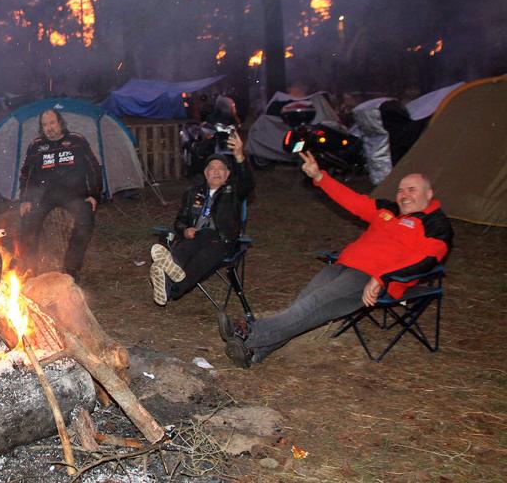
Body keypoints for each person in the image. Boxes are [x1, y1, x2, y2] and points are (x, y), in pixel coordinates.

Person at [218, 151, 452, 368]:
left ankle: (247, 333)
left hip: (371, 278)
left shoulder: (435, 225)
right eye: (400, 190)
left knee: (312, 305)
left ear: (428, 194)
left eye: (412, 190)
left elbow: (426, 260)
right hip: (344, 265)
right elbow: (352, 200)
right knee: (305, 305)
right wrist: (320, 176)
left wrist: (381, 278)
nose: (404, 195)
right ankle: (255, 354)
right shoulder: (388, 210)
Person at [150, 131, 254, 305]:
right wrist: (185, 229)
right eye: (212, 168)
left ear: (227, 175)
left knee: (202, 254)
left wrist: (240, 156)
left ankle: (172, 287)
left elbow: (248, 183)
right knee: (183, 248)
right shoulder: (192, 193)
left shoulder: (233, 192)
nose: (216, 172)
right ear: (206, 173)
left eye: (221, 169)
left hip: (220, 241)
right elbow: (180, 221)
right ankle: (167, 278)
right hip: (194, 237)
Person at [18, 109, 102, 278]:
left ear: (60, 123)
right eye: (45, 125)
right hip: (44, 196)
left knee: (86, 220)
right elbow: (27, 173)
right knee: (27, 223)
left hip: (73, 194)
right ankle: (29, 270)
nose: (49, 128)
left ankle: (71, 269)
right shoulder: (36, 146)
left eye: (52, 123)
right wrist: (25, 199)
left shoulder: (77, 141)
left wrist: (94, 194)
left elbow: (93, 167)